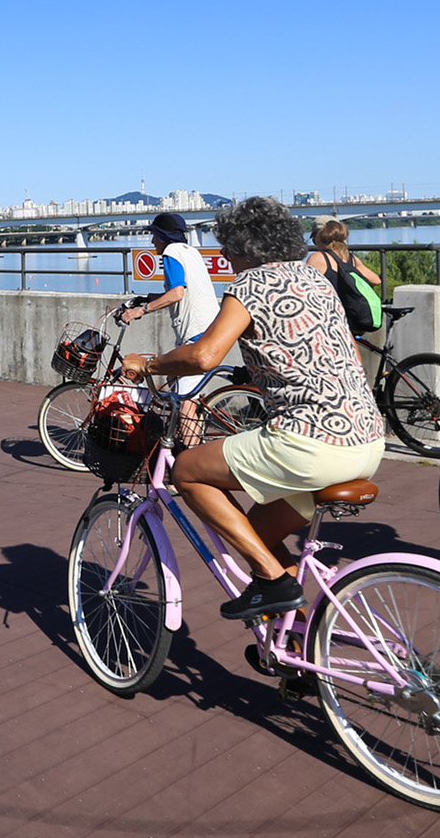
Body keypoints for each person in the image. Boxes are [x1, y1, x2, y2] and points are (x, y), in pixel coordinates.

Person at [120, 197, 387, 620]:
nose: (223, 255)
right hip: (367, 439)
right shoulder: (315, 278)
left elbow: (205, 355)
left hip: (310, 443)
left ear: (246, 246)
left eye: (227, 246)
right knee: (258, 532)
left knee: (187, 470)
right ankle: (301, 644)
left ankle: (272, 579)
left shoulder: (249, 286)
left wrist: (148, 364)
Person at [119, 212, 221, 437]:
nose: (152, 241)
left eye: (154, 235)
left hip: (197, 334)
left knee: (185, 404)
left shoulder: (170, 252)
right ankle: (176, 434)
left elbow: (177, 293)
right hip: (210, 328)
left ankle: (189, 460)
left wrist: (141, 311)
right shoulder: (190, 252)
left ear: (162, 236)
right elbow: (181, 290)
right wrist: (147, 298)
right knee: (172, 379)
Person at [305, 216, 387, 380]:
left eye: (315, 239)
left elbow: (302, 288)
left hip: (334, 320)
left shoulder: (318, 258)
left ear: (321, 237)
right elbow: (376, 280)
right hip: (353, 316)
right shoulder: (351, 259)